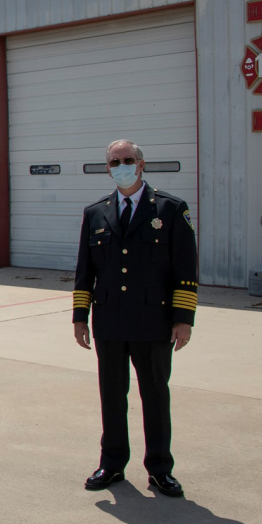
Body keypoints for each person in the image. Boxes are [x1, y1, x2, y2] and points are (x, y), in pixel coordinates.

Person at [73, 139, 199, 497]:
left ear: (141, 165)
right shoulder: (96, 212)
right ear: (108, 167)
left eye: (128, 159)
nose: (121, 165)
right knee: (112, 396)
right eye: (115, 161)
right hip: (110, 322)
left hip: (153, 321)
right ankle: (112, 464)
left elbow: (185, 269)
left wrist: (183, 318)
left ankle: (160, 468)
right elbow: (85, 271)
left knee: (155, 396)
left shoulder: (171, 209)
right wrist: (80, 317)